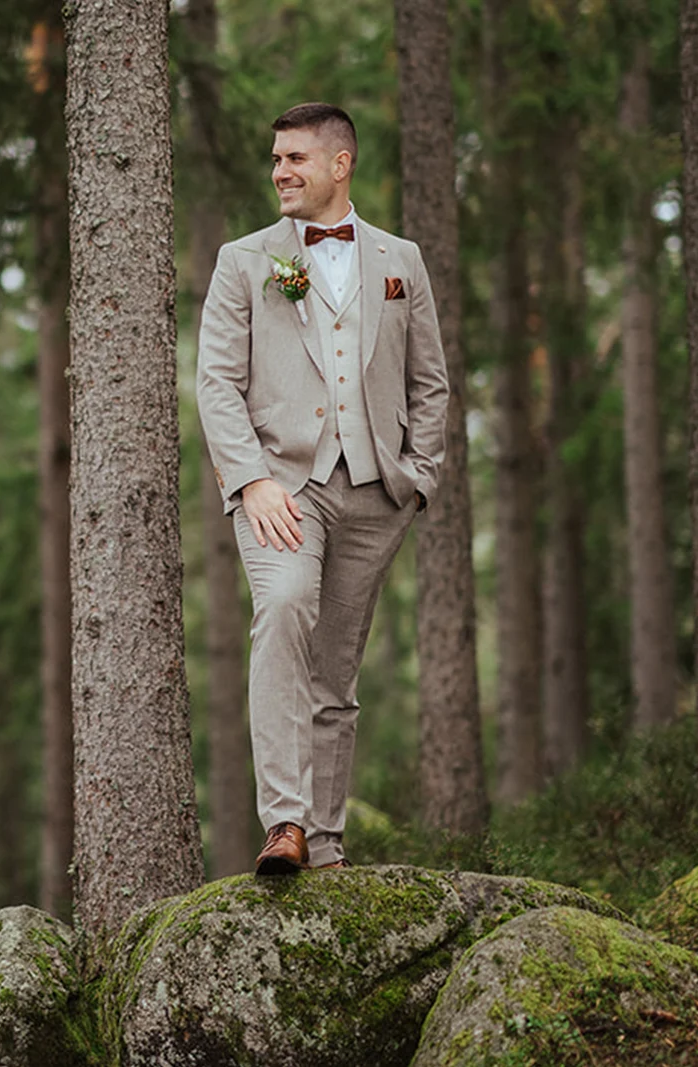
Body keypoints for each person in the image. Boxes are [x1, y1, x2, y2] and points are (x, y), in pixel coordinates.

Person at [196, 104, 450, 875]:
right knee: (281, 611)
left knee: (337, 669)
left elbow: (430, 382)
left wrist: (417, 480)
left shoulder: (400, 258)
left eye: (296, 158)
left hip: (377, 493)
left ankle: (326, 843)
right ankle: (284, 821)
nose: (280, 172)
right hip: (282, 490)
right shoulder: (245, 259)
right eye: (276, 158)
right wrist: (251, 481)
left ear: (341, 165)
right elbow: (216, 383)